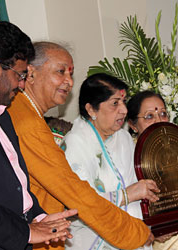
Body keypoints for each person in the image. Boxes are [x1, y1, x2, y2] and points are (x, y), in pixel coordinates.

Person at [8, 41, 154, 250]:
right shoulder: (28, 122)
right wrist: (134, 231)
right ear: (30, 73)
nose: (69, 82)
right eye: (60, 72)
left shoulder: (28, 115)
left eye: (71, 74)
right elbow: (74, 193)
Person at [0, 21, 78, 250]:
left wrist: (39, 217)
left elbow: (15, 184)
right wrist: (26, 232)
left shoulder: (2, 113)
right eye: (19, 74)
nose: (22, 84)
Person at [61, 73, 160, 249]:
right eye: (115, 103)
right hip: (93, 240)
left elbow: (142, 191)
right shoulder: (75, 144)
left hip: (136, 234)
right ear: (91, 109)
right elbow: (79, 207)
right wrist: (128, 194)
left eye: (123, 101)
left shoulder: (123, 137)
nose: (124, 110)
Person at [127, 90, 178, 250]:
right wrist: (153, 230)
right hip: (151, 236)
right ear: (133, 125)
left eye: (163, 114)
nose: (158, 120)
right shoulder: (128, 158)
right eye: (149, 116)